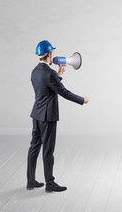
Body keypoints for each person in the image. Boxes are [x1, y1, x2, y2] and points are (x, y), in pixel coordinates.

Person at [27, 40, 89, 192]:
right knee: (48, 150)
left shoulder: (35, 71)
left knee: (34, 147)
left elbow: (47, 88)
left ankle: (31, 181)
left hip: (36, 114)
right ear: (49, 54)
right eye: (52, 52)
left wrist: (58, 75)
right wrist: (82, 100)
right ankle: (50, 183)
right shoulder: (50, 73)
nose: (53, 54)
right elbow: (64, 93)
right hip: (48, 117)